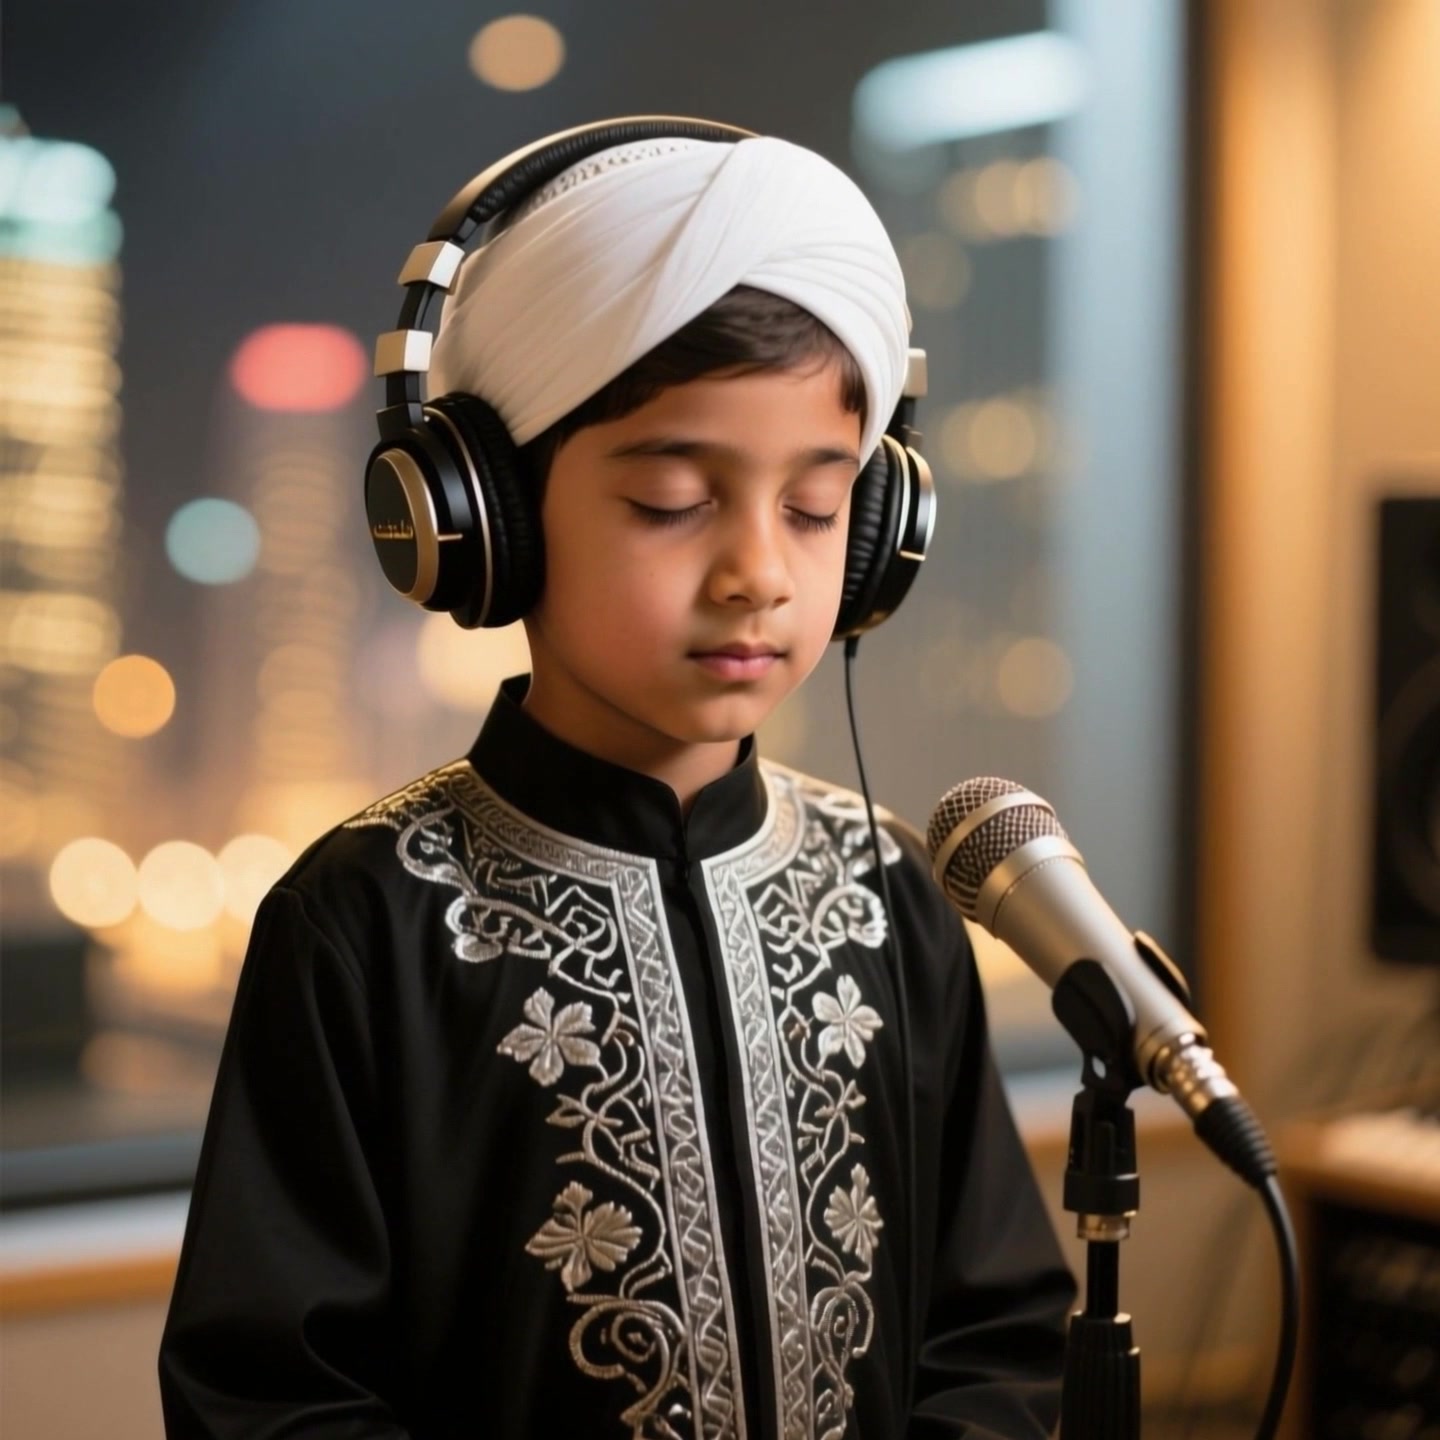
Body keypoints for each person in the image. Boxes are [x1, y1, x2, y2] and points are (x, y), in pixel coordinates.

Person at [159, 118, 1076, 1440]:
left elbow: (998, 1337)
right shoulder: (364, 917)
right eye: (671, 502)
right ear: (489, 521)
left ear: (879, 538)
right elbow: (272, 1399)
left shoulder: (889, 891)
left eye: (817, 510)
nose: (759, 570)